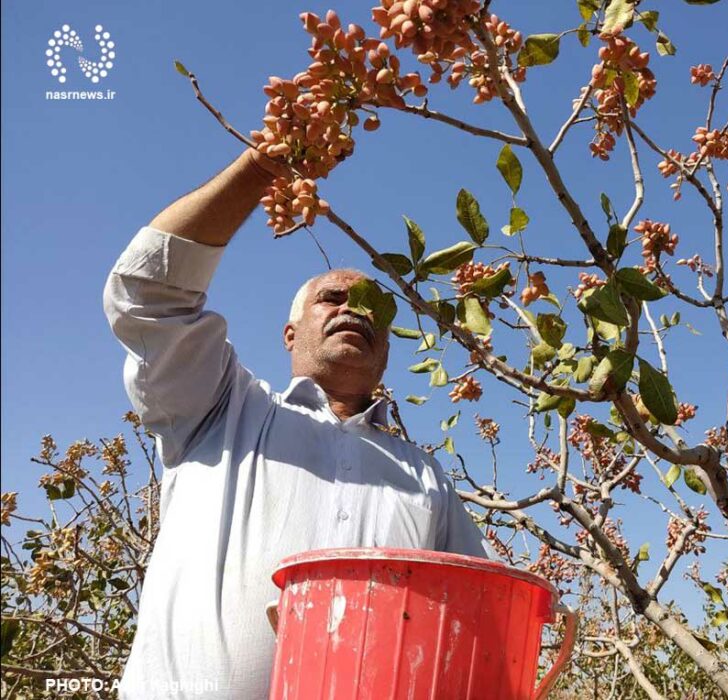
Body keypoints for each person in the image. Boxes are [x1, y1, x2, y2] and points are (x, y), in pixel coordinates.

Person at [103, 148, 491, 699]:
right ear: (290, 336)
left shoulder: (426, 477)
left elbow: (477, 610)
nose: (354, 309)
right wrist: (258, 172)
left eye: (373, 309)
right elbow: (147, 297)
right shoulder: (221, 406)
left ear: (385, 353)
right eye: (333, 298)